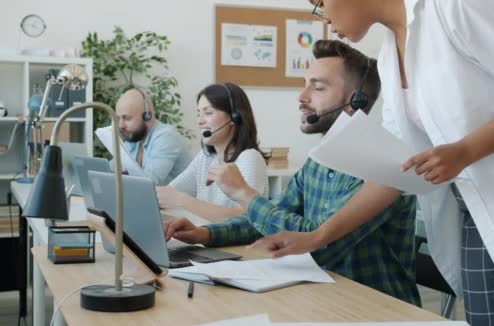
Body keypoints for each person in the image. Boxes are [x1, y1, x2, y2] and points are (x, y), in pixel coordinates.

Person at [251, 0, 494, 325]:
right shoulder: (392, 49)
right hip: (482, 210)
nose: (323, 19)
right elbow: (397, 169)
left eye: (319, 3)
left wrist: (465, 151)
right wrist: (317, 237)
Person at [163, 40, 421, 305]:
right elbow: (273, 214)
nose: (301, 96)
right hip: (321, 299)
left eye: (317, 87)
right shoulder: (318, 161)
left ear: (355, 100)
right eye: (305, 84)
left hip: (374, 308)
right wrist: (205, 234)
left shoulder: (379, 164)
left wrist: (245, 195)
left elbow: (317, 243)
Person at [156, 83, 269, 222]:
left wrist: (182, 201)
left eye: (208, 113)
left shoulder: (249, 158)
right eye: (199, 114)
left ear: (234, 117)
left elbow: (247, 218)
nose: (199, 121)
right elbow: (170, 193)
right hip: (207, 239)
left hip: (237, 244)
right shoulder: (206, 157)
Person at [115, 88, 190, 185]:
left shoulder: (167, 136)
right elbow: (110, 170)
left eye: (127, 118)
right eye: (118, 118)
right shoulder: (134, 138)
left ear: (147, 116)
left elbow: (149, 184)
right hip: (148, 199)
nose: (120, 125)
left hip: (174, 199)